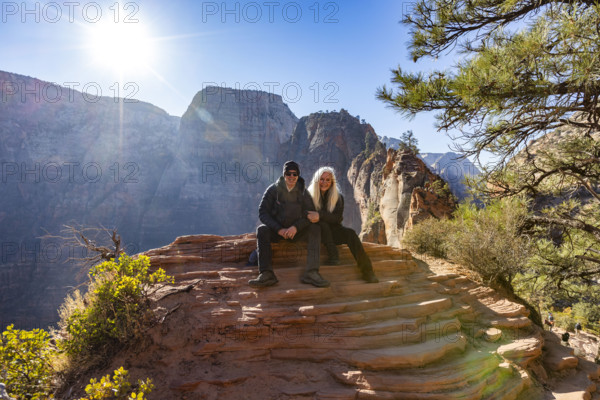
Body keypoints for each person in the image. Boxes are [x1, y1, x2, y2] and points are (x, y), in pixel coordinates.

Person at [249, 161, 330, 288]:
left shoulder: (303, 192)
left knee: (315, 227)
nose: (291, 177)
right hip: (278, 232)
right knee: (262, 230)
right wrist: (279, 229)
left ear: (298, 175)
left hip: (296, 232)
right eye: (288, 173)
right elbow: (263, 212)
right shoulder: (273, 190)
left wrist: (296, 227)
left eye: (295, 174)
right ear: (284, 174)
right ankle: (266, 274)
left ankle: (311, 272)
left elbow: (310, 214)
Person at [307, 167, 378, 283]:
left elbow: (337, 218)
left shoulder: (338, 198)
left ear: (332, 182)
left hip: (333, 231)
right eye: (322, 179)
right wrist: (322, 218)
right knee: (322, 225)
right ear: (316, 180)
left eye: (328, 180)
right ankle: (333, 255)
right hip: (316, 233)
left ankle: (368, 272)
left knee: (351, 234)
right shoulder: (308, 196)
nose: (324, 182)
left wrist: (320, 215)